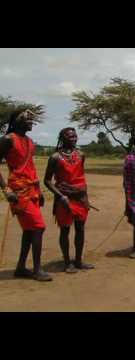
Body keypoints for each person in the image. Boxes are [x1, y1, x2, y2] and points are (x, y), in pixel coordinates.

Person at [0, 109, 51, 281]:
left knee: (29, 230)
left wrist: (39, 190)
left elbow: (30, 167)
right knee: (38, 227)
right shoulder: (8, 140)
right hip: (18, 190)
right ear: (15, 121)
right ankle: (37, 270)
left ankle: (21, 268)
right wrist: (6, 190)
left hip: (32, 189)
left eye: (32, 118)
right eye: (26, 117)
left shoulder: (29, 141)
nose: (30, 120)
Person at [44, 127, 94, 273]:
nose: (73, 138)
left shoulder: (81, 155)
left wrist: (85, 196)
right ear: (62, 138)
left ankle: (78, 261)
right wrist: (61, 196)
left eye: (75, 136)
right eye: (70, 136)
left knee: (80, 229)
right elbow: (47, 181)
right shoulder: (55, 157)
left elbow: (80, 176)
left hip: (80, 197)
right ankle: (67, 263)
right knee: (65, 230)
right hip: (64, 199)